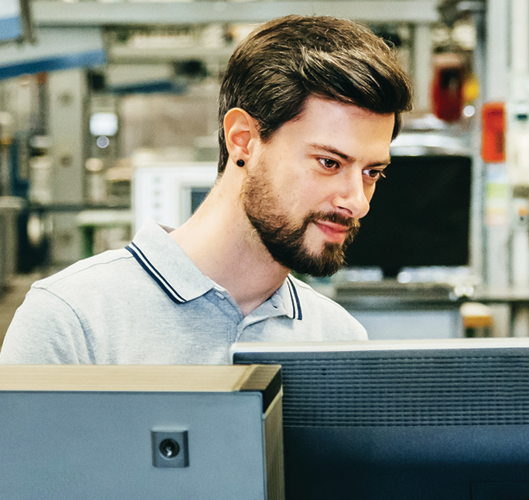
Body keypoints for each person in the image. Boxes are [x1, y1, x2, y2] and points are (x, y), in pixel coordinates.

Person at [0, 15, 412, 364]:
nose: (356, 202)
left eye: (372, 172)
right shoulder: (74, 322)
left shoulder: (340, 341)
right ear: (243, 140)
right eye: (329, 163)